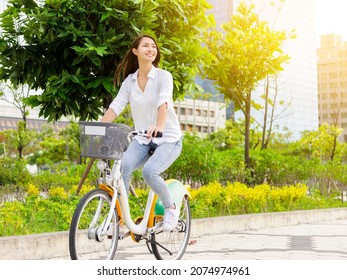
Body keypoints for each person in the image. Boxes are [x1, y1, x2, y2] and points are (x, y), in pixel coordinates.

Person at [101, 34, 183, 232]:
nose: (151, 49)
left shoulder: (164, 76)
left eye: (153, 46)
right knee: (122, 169)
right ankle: (121, 220)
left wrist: (160, 127)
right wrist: (99, 126)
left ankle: (171, 208)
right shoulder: (129, 82)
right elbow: (116, 107)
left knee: (150, 171)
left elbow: (163, 101)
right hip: (143, 138)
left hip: (168, 138)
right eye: (145, 46)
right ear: (135, 51)